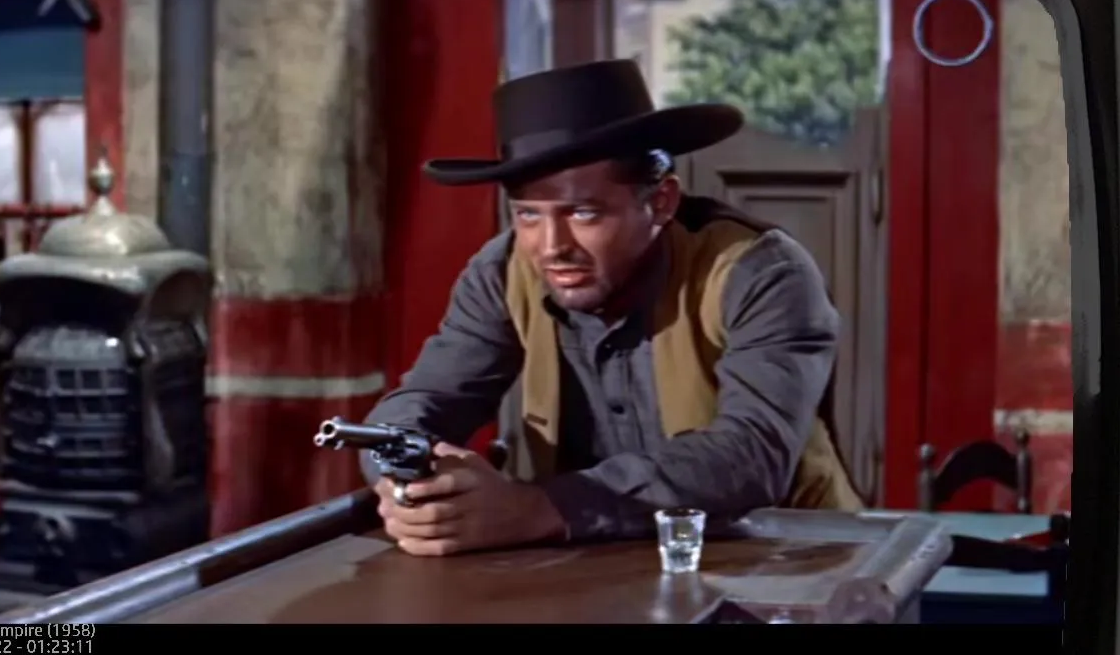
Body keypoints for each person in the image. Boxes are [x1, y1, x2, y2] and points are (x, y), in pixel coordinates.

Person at [361, 59, 861, 558]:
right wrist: (409, 476)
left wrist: (539, 509)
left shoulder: (759, 272)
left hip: (778, 555)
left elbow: (752, 453)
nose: (551, 247)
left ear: (661, 202)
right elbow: (424, 400)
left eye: (584, 212)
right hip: (581, 562)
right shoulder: (501, 273)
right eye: (528, 214)